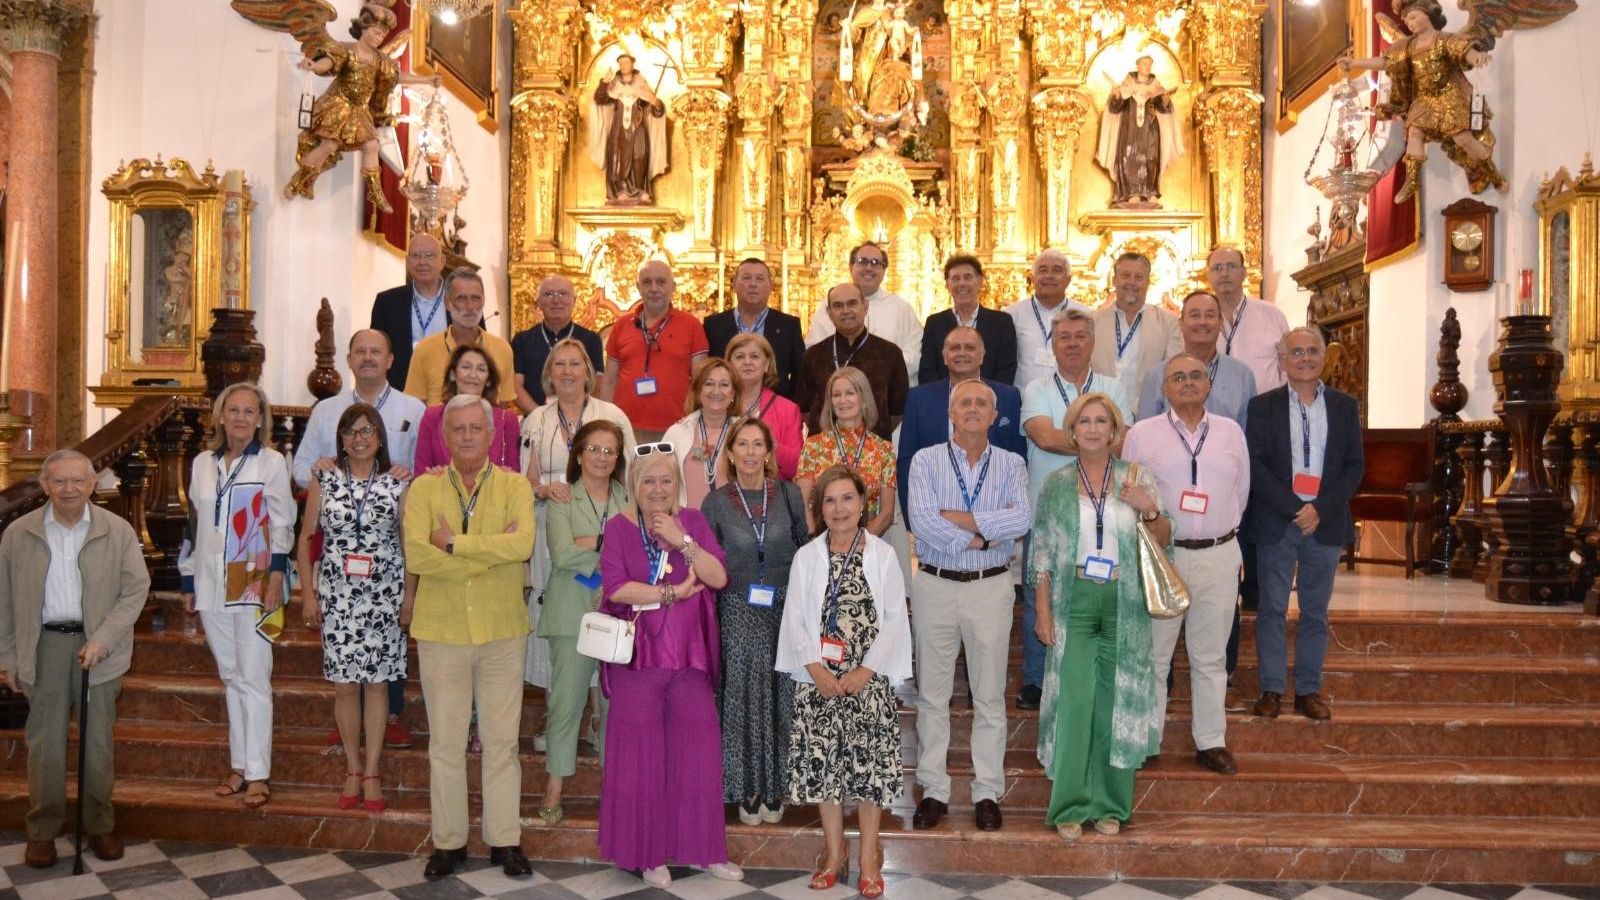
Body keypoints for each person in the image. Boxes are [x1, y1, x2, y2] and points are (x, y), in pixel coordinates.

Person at [597, 446, 743, 889]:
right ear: (633, 486)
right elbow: (617, 589)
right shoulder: (619, 528)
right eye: (648, 481)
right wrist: (672, 594)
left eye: (665, 481)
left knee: (698, 754)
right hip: (638, 662)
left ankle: (704, 850)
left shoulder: (693, 522)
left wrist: (682, 540)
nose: (657, 490)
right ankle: (647, 854)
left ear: (677, 484)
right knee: (640, 758)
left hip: (690, 658)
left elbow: (718, 578)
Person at [404, 395, 536, 879]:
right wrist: (488, 554)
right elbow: (417, 556)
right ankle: (449, 843)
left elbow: (521, 545)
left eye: (474, 429)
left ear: (491, 433)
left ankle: (504, 841)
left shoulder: (515, 485)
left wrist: (455, 545)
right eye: (456, 429)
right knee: (445, 742)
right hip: (442, 631)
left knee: (502, 742)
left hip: (502, 629)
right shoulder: (424, 489)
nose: (465, 436)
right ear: (444, 437)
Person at [0, 450, 149, 868]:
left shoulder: (116, 531)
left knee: (98, 743)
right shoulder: (19, 533)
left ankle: (99, 826)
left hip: (98, 647)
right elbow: (4, 600)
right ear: (45, 485)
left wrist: (102, 638)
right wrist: (8, 656)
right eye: (60, 482)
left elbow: (135, 590)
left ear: (92, 484)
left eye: (78, 481)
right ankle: (42, 832)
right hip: (43, 646)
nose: (69, 489)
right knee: (44, 744)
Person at [1029, 392, 1169, 840]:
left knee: (1117, 704)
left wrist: (1147, 505)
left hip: (1125, 601)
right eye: (1083, 421)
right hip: (1074, 599)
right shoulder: (1056, 484)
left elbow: (1165, 536)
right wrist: (1042, 611)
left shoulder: (1136, 476)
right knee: (1075, 701)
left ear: (1114, 431)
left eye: (1101, 421)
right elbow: (1043, 554)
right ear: (1072, 431)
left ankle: (1111, 805)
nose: (1092, 428)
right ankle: (1069, 805)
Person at [777, 466, 911, 898]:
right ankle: (834, 853)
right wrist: (816, 669)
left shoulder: (882, 555)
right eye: (829, 500)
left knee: (868, 771)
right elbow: (795, 618)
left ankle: (870, 855)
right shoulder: (807, 557)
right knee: (824, 770)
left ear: (863, 503)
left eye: (847, 499)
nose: (839, 509)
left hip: (866, 682)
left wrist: (863, 672)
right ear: (819, 508)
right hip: (818, 681)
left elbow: (894, 618)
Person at [906, 380, 1032, 833]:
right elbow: (922, 521)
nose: (973, 409)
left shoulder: (1013, 463)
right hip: (936, 586)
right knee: (932, 695)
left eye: (982, 402)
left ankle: (987, 791)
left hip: (990, 588)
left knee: (989, 695)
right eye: (965, 403)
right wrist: (983, 535)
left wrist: (957, 521)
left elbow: (1022, 518)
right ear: (951, 413)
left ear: (995, 415)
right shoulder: (925, 460)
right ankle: (934, 789)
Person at [293, 329, 425, 749]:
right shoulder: (326, 411)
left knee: (386, 662)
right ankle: (353, 729)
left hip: (387, 551)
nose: (368, 358)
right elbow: (300, 470)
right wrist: (324, 466)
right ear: (349, 359)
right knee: (348, 676)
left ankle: (392, 714)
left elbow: (425, 467)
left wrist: (407, 474)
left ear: (390, 359)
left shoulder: (413, 408)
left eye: (376, 351)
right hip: (341, 559)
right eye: (360, 352)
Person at [1122, 355, 1250, 775]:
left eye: (1196, 376)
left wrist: (1218, 531)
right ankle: (1148, 739)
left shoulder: (1231, 432)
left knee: (1211, 656)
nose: (1189, 382)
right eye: (1179, 377)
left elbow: (1241, 492)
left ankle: (1211, 741)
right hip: (1163, 555)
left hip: (1218, 554)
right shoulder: (1142, 434)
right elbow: (1131, 492)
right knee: (1155, 656)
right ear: (1165, 388)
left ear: (1209, 385)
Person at [178, 382, 297, 811]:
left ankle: (259, 773)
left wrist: (275, 579)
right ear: (221, 416)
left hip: (251, 579)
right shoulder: (202, 464)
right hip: (211, 582)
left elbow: (282, 523)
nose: (242, 418)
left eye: (250, 411)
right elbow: (194, 525)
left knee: (254, 677)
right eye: (234, 410)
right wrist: (188, 582)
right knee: (230, 677)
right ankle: (239, 766)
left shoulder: (271, 462)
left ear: (261, 419)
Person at [295, 404, 410, 811]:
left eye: (366, 431)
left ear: (380, 437)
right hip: (339, 596)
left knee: (377, 685)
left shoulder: (398, 483)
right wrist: (309, 594)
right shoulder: (323, 478)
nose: (358, 439)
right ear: (340, 439)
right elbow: (307, 538)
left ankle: (374, 771)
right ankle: (352, 767)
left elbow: (408, 545)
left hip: (383, 596)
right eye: (350, 432)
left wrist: (408, 598)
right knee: (345, 686)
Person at [1246, 328, 1364, 722]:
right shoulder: (1263, 406)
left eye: (1312, 351)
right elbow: (1256, 465)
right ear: (1282, 361)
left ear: (1322, 358)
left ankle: (1309, 690)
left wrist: (1320, 509)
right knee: (1272, 610)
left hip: (1325, 523)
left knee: (1315, 613)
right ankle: (1272, 689)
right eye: (1296, 352)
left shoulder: (1345, 407)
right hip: (1278, 521)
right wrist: (1296, 508)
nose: (1305, 358)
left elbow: (1353, 467)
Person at [1017, 308, 1133, 709]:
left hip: (1103, 512)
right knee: (1039, 593)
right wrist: (1093, 439)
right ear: (1053, 344)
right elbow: (1044, 436)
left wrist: (1087, 439)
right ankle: (1035, 680)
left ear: (1092, 342)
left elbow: (1123, 442)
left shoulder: (1112, 387)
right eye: (1063, 337)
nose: (1071, 344)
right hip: (1047, 510)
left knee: (1094, 595)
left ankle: (1094, 672)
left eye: (1079, 337)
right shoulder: (1036, 389)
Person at [703, 419, 808, 825]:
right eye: (741, 444)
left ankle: (776, 784)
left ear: (769, 453)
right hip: (736, 607)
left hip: (784, 606)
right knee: (744, 699)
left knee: (781, 695)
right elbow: (708, 562)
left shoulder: (789, 493)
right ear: (730, 453)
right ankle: (746, 787)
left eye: (757, 445)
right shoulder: (714, 503)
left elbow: (803, 547)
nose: (749, 452)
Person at [521, 337, 637, 701]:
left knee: (607, 604)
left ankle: (601, 708)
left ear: (590, 373)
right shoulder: (536, 420)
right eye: (560, 364)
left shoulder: (613, 416)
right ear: (548, 375)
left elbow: (631, 475)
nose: (568, 371)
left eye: (576, 364)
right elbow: (523, 481)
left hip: (606, 520)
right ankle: (562, 701)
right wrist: (544, 490)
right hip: (552, 527)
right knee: (559, 608)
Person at [538, 419, 630, 825]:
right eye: (594, 449)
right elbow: (561, 554)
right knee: (565, 705)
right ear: (578, 454)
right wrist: (610, 543)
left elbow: (636, 558)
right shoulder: (561, 498)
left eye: (610, 451)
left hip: (619, 614)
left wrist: (590, 543)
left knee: (617, 707)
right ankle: (554, 787)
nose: (602, 457)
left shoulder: (630, 498)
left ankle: (616, 790)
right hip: (570, 614)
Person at [267, 2, 439, 210]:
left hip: (360, 110)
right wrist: (313, 65)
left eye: (382, 35)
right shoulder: (347, 51)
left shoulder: (381, 61)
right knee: (329, 145)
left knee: (372, 145)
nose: (379, 38)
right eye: (376, 32)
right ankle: (299, 179)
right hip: (338, 103)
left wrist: (427, 80)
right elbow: (328, 63)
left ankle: (375, 192)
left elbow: (398, 77)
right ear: (363, 29)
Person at [1336, 0, 1505, 203]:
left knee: (1464, 139)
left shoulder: (1443, 40)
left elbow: (1463, 50)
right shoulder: (1407, 47)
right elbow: (1386, 62)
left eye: (1414, 17)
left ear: (1429, 14)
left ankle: (1493, 173)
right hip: (1424, 100)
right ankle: (1412, 180)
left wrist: (1476, 56)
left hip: (1450, 95)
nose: (1410, 23)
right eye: (1407, 20)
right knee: (1414, 132)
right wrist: (1356, 63)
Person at [897, 326, 1027, 516]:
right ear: (944, 356)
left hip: (993, 513)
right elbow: (906, 460)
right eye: (955, 348)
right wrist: (913, 518)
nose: (962, 353)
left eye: (970, 347)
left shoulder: (1008, 396)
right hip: (935, 513)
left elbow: (1017, 456)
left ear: (982, 355)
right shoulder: (919, 398)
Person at [599, 260, 711, 440]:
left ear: (673, 287)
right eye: (647, 282)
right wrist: (604, 424)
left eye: (661, 282)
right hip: (625, 427)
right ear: (638, 287)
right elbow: (609, 380)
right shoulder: (621, 325)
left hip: (676, 427)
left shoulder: (691, 325)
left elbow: (701, 380)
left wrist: (698, 423)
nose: (653, 288)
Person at [796, 283, 910, 441]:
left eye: (852, 303)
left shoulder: (890, 354)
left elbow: (897, 411)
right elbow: (805, 409)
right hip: (823, 450)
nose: (845, 311)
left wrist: (863, 435)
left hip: (873, 450)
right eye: (838, 306)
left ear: (865, 306)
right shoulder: (813, 355)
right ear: (829, 313)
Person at [796, 367, 897, 539]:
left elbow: (887, 513)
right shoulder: (813, 445)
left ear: (864, 399)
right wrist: (816, 542)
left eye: (850, 393)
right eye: (836, 395)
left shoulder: (883, 449)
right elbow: (802, 503)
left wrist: (859, 544)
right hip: (821, 542)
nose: (842, 400)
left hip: (866, 543)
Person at [805, 241, 923, 382]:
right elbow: (815, 353)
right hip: (838, 394)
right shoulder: (831, 306)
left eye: (875, 263)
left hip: (886, 393)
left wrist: (872, 374)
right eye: (862, 262)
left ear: (884, 270)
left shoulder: (902, 309)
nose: (869, 268)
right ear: (850, 267)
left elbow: (914, 357)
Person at [1137, 290, 1257, 426]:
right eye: (1195, 315)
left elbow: (1249, 437)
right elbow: (1144, 435)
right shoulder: (1157, 375)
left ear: (1220, 323)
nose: (1202, 322)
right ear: (1181, 323)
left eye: (1210, 316)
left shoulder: (1242, 375)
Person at [404, 269, 518, 408]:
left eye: (475, 298)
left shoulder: (502, 349)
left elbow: (503, 407)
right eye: (461, 298)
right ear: (447, 303)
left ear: (483, 301)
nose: (470, 307)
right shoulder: (425, 349)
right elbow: (415, 406)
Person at [704, 258, 806, 400]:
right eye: (746, 278)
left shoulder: (788, 326)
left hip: (774, 408)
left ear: (771, 287)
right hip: (725, 407)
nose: (753, 284)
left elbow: (800, 376)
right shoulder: (714, 325)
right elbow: (707, 372)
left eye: (759, 279)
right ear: (734, 285)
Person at [414, 344, 522, 473]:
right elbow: (421, 473)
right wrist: (432, 477)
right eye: (466, 367)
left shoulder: (507, 420)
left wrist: (506, 476)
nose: (473, 374)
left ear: (488, 380)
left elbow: (514, 474)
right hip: (443, 492)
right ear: (453, 375)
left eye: (481, 369)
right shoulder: (432, 416)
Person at [1095, 54, 1183, 207]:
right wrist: (1117, 96)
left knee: (1151, 158)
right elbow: (1116, 107)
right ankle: (1132, 192)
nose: (1147, 67)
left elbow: (1163, 108)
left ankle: (1150, 191)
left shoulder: (1156, 85)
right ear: (1138, 66)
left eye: (1149, 64)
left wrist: (1165, 99)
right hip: (1130, 130)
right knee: (1130, 158)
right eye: (1144, 64)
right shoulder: (1127, 84)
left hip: (1150, 129)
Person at [510, 275, 606, 413]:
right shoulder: (522, 340)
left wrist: (577, 417)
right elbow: (515, 387)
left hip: (580, 423)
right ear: (538, 302)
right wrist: (540, 417)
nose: (556, 300)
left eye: (563, 294)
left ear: (574, 301)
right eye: (548, 294)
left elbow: (597, 386)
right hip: (535, 421)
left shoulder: (591, 340)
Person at [918, 254, 1018, 385]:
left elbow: (1006, 370)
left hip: (990, 401)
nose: (962, 283)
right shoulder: (934, 323)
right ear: (948, 285)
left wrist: (982, 397)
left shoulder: (1001, 323)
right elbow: (928, 370)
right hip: (945, 401)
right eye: (955, 279)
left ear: (980, 282)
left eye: (967, 277)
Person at [369, 233, 449, 391]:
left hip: (449, 393)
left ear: (442, 261)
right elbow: (377, 350)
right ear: (407, 261)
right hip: (401, 391)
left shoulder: (461, 300)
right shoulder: (387, 302)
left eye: (429, 256)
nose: (422, 262)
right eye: (416, 255)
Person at [1091, 251, 1181, 390]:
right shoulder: (1092, 321)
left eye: (1139, 277)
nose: (1132, 282)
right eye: (1126, 276)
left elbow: (1174, 371)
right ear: (1115, 280)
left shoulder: (1168, 322)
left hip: (1148, 408)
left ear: (1147, 283)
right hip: (1102, 406)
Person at [587, 53, 669, 204]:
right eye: (621, 63)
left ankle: (639, 188)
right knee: (618, 157)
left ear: (632, 64)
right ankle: (621, 189)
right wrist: (605, 82)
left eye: (626, 62)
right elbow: (600, 98)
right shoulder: (614, 86)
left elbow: (656, 110)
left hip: (638, 128)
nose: (624, 65)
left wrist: (656, 102)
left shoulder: (641, 85)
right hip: (618, 130)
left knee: (640, 155)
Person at [1206, 247, 1289, 394]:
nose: (1224, 273)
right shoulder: (1200, 321)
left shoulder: (1272, 315)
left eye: (1231, 267)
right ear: (1208, 275)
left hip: (1266, 411)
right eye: (1217, 268)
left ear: (1243, 273)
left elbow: (1288, 366)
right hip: (1216, 413)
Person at [1006, 249, 1092, 389]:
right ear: (1032, 278)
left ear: (1068, 280)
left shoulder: (1086, 315)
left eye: (1057, 270)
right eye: (1043, 270)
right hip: (1025, 401)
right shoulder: (1012, 315)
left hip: (1072, 401)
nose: (1049, 276)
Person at [726, 332, 805, 479]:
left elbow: (799, 466)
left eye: (755, 356)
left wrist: (769, 443)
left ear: (767, 364)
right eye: (740, 357)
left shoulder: (788, 410)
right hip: (723, 495)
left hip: (773, 495)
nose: (747, 362)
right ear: (729, 364)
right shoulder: (718, 405)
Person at [664, 358, 739, 509]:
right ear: (698, 390)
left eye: (724, 385)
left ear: (733, 393)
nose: (716, 391)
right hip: (686, 525)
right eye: (709, 384)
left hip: (732, 526)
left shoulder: (744, 431)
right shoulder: (677, 433)